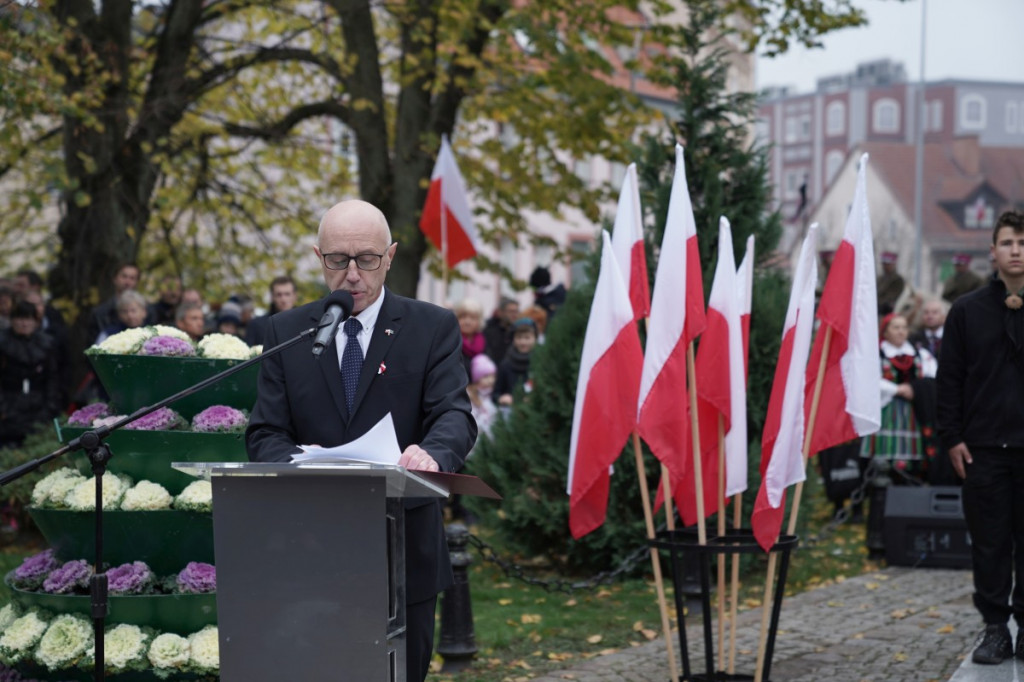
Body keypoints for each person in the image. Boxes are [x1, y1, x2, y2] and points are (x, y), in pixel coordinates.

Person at [245, 199, 476, 682]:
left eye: (366, 259)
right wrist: (297, 467)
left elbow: (453, 413)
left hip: (405, 547)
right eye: (338, 260)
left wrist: (432, 453)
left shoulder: (431, 327)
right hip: (311, 546)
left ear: (390, 256)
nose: (352, 274)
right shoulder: (285, 332)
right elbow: (265, 432)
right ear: (318, 257)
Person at [937, 209, 1024, 665]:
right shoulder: (967, 311)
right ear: (993, 251)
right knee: (990, 542)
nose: (1016, 251)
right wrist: (951, 437)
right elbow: (949, 378)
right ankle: (995, 629)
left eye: (1023, 243)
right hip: (983, 449)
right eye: (1008, 242)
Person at [860, 313, 939, 554]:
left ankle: (908, 527)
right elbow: (867, 379)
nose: (901, 332)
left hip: (913, 415)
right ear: (885, 331)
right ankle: (877, 534)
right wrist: (897, 388)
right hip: (886, 413)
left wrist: (914, 388)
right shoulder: (877, 354)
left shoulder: (919, 354)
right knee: (882, 472)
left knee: (910, 473)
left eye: (904, 327)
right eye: (896, 327)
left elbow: (933, 374)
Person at [0, 301, 61, 447]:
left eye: (28, 319)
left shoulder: (46, 343)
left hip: (39, 405)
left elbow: (52, 378)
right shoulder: (3, 343)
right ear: (12, 320)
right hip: (8, 405)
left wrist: (50, 407)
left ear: (35, 321)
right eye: (19, 318)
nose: (24, 323)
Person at [87, 263, 143, 342]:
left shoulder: (149, 311)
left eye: (132, 278)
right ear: (115, 279)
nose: (127, 282)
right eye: (124, 276)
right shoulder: (100, 313)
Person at [494, 317, 538, 406]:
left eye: (527, 337)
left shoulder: (541, 362)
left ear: (535, 338)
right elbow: (495, 394)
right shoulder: (506, 364)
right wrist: (501, 398)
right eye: (519, 337)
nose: (523, 342)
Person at [245, 276, 298, 346]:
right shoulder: (256, 325)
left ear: (295, 296)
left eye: (287, 294)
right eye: (279, 295)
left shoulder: (305, 323)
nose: (283, 299)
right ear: (272, 297)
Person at [454, 297, 485, 378]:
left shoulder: (484, 341)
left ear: (479, 321)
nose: (467, 322)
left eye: (472, 318)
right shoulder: (451, 341)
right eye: (463, 317)